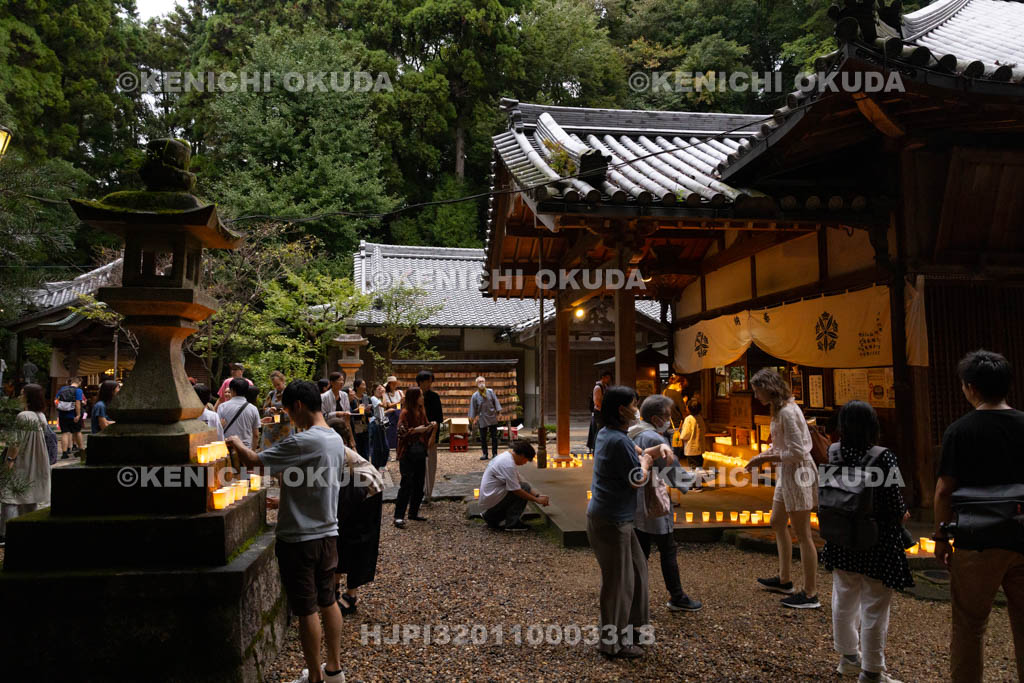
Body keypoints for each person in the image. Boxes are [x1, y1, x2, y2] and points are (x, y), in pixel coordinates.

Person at [225, 380, 344, 683]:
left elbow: (255, 462)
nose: (289, 418)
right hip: (328, 533)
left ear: (298, 406)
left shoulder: (302, 441)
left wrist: (236, 442)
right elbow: (312, 481)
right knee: (328, 600)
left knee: (306, 608)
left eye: (289, 411)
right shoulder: (334, 438)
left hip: (300, 538)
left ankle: (315, 677)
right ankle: (334, 670)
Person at [934, 350, 1024, 683]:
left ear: (971, 387)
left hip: (976, 540)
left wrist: (941, 537)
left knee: (969, 627)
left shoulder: (960, 431)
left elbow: (944, 491)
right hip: (1022, 535)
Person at [821, 401, 911, 683]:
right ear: (873, 426)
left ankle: (848, 658)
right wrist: (902, 514)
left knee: (843, 597)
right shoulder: (883, 457)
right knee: (874, 606)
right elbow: (895, 504)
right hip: (876, 541)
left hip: (841, 537)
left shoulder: (834, 452)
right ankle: (872, 671)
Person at [587, 385, 667, 659]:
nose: (637, 409)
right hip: (611, 521)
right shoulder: (617, 440)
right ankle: (612, 643)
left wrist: (655, 448)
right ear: (622, 410)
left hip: (615, 518)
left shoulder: (609, 433)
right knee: (618, 583)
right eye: (634, 404)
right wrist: (646, 462)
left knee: (637, 572)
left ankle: (633, 630)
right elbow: (637, 479)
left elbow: (637, 449)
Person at [745, 368, 820, 609]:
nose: (756, 395)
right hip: (786, 472)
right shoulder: (779, 410)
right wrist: (760, 457)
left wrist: (766, 459)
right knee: (777, 521)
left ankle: (810, 593)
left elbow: (797, 452)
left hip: (798, 472)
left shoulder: (787, 412)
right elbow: (780, 446)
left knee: (803, 533)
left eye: (757, 390)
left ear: (769, 389)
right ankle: (784, 579)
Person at [629, 394, 702, 612]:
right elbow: (672, 472)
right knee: (667, 549)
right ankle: (677, 596)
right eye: (667, 416)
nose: (669, 421)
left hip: (635, 499)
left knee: (640, 551)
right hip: (654, 499)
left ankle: (633, 596)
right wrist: (694, 479)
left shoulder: (633, 432)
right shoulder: (653, 438)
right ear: (656, 418)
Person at [326, 417, 384, 617]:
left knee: (358, 541)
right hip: (352, 494)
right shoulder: (334, 450)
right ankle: (333, 588)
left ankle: (351, 595)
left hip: (368, 494)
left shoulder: (339, 452)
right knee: (340, 538)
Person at [1, 384, 51, 546]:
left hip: (22, 461)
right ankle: (28, 529)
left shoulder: (23, 416)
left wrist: (9, 462)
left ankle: (7, 532)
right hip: (37, 461)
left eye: (22, 394)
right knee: (30, 496)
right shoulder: (41, 416)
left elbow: (16, 443)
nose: (19, 396)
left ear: (29, 397)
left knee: (9, 496)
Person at [478, 440, 549, 531]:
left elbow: (519, 482)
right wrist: (537, 500)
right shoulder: (508, 464)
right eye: (526, 460)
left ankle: (491, 516)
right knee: (523, 488)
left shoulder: (507, 457)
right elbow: (516, 490)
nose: (525, 463)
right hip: (492, 500)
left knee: (525, 486)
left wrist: (538, 495)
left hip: (491, 498)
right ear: (522, 455)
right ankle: (512, 523)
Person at [393, 387, 436, 529]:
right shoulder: (405, 413)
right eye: (420, 396)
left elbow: (425, 426)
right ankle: (398, 516)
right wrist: (416, 430)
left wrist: (431, 426)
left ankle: (413, 512)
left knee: (419, 482)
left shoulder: (421, 411)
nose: (422, 398)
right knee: (406, 483)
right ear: (414, 398)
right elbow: (401, 432)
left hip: (420, 450)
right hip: (407, 451)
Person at [418, 370, 444, 502]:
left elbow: (439, 418)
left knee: (430, 464)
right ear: (420, 382)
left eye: (430, 381)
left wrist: (434, 435)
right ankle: (418, 491)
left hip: (431, 433)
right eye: (426, 381)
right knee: (418, 464)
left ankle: (428, 493)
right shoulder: (414, 396)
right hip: (417, 434)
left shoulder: (434, 397)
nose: (429, 384)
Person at [217, 377, 261, 450]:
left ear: (232, 390)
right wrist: (252, 451)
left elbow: (218, 429)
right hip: (246, 448)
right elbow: (256, 435)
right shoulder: (253, 408)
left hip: (227, 447)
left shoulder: (222, 407)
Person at [469, 375, 502, 461]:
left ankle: (495, 453)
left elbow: (496, 402)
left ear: (485, 382)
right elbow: (473, 408)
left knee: (494, 436)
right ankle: (485, 454)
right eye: (479, 382)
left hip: (492, 416)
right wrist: (473, 419)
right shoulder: (475, 395)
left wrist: (499, 413)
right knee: (483, 437)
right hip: (482, 417)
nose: (481, 383)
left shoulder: (490, 392)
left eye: (482, 381)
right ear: (477, 384)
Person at [55, 376, 84, 459]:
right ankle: (81, 450)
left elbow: (56, 400)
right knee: (77, 432)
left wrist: (60, 408)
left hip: (63, 415)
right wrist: (78, 415)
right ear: (79, 382)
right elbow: (78, 403)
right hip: (73, 415)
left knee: (64, 433)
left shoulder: (62, 389)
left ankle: (64, 453)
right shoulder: (78, 390)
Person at [261, 371, 291, 449]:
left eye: (278, 384)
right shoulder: (271, 394)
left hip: (285, 429)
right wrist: (270, 410)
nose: (277, 387)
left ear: (283, 381)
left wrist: (283, 412)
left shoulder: (290, 393)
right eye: (275, 385)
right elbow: (264, 409)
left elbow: (295, 411)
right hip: (272, 430)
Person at [586, 369, 613, 452]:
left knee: (601, 430)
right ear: (603, 377)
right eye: (607, 378)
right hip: (599, 412)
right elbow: (597, 402)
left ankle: (599, 447)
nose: (609, 379)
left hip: (603, 412)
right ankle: (596, 448)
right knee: (599, 431)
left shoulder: (605, 386)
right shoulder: (598, 387)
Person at [679, 398, 707, 474]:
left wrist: (681, 436)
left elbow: (686, 434)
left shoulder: (688, 419)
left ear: (689, 409)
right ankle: (699, 479)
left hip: (691, 448)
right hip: (700, 447)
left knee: (693, 466)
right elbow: (704, 430)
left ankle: (695, 480)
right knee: (699, 465)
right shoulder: (700, 418)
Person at [368, 383, 390, 470]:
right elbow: (385, 405)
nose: (381, 391)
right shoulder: (373, 398)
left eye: (382, 389)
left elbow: (382, 411)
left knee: (385, 447)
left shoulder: (378, 399)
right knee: (377, 447)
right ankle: (376, 466)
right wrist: (384, 394)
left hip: (381, 423)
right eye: (379, 389)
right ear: (374, 391)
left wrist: (387, 412)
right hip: (375, 424)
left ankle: (381, 465)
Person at [348, 379, 371, 460]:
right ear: (357, 387)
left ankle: (366, 463)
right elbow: (349, 412)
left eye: (365, 385)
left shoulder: (366, 398)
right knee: (358, 446)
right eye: (363, 385)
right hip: (355, 426)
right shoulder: (352, 398)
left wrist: (368, 411)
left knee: (366, 448)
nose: (365, 387)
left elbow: (371, 413)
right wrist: (357, 410)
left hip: (365, 425)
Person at [383, 376, 403, 451]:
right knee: (392, 432)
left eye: (395, 383)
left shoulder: (400, 392)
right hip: (392, 414)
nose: (395, 385)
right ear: (389, 384)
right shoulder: (386, 394)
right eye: (393, 383)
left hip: (400, 413)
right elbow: (389, 405)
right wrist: (399, 402)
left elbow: (404, 400)